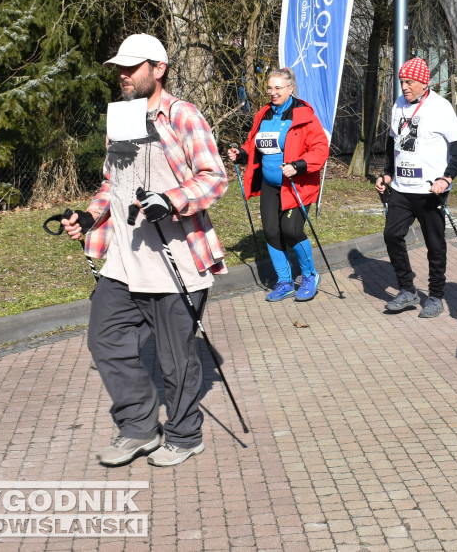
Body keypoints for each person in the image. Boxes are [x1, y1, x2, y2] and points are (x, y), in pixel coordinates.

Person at [61, 33, 228, 467]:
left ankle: (185, 435)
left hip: (176, 262)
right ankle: (139, 427)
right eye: (120, 67)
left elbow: (214, 177)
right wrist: (89, 216)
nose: (123, 74)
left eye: (132, 67)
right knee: (105, 341)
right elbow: (111, 183)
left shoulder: (182, 115)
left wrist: (170, 200)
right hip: (122, 261)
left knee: (175, 360)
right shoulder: (120, 117)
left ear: (159, 69)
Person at [375, 57, 457, 319]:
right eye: (402, 82)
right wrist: (388, 174)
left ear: (424, 83)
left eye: (409, 82)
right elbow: (392, 143)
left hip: (430, 191)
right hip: (402, 189)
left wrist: (446, 179)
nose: (404, 87)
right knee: (392, 235)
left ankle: (436, 296)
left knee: (434, 245)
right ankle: (407, 290)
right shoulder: (398, 104)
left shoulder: (440, 107)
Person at [227, 68, 328, 302]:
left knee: (291, 230)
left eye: (278, 88)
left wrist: (298, 166)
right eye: (270, 88)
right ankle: (285, 281)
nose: (273, 93)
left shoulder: (304, 116)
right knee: (272, 232)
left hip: (296, 185)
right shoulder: (264, 114)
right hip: (270, 185)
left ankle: (309, 276)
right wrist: (241, 153)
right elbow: (253, 143)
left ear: (290, 89)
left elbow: (320, 149)